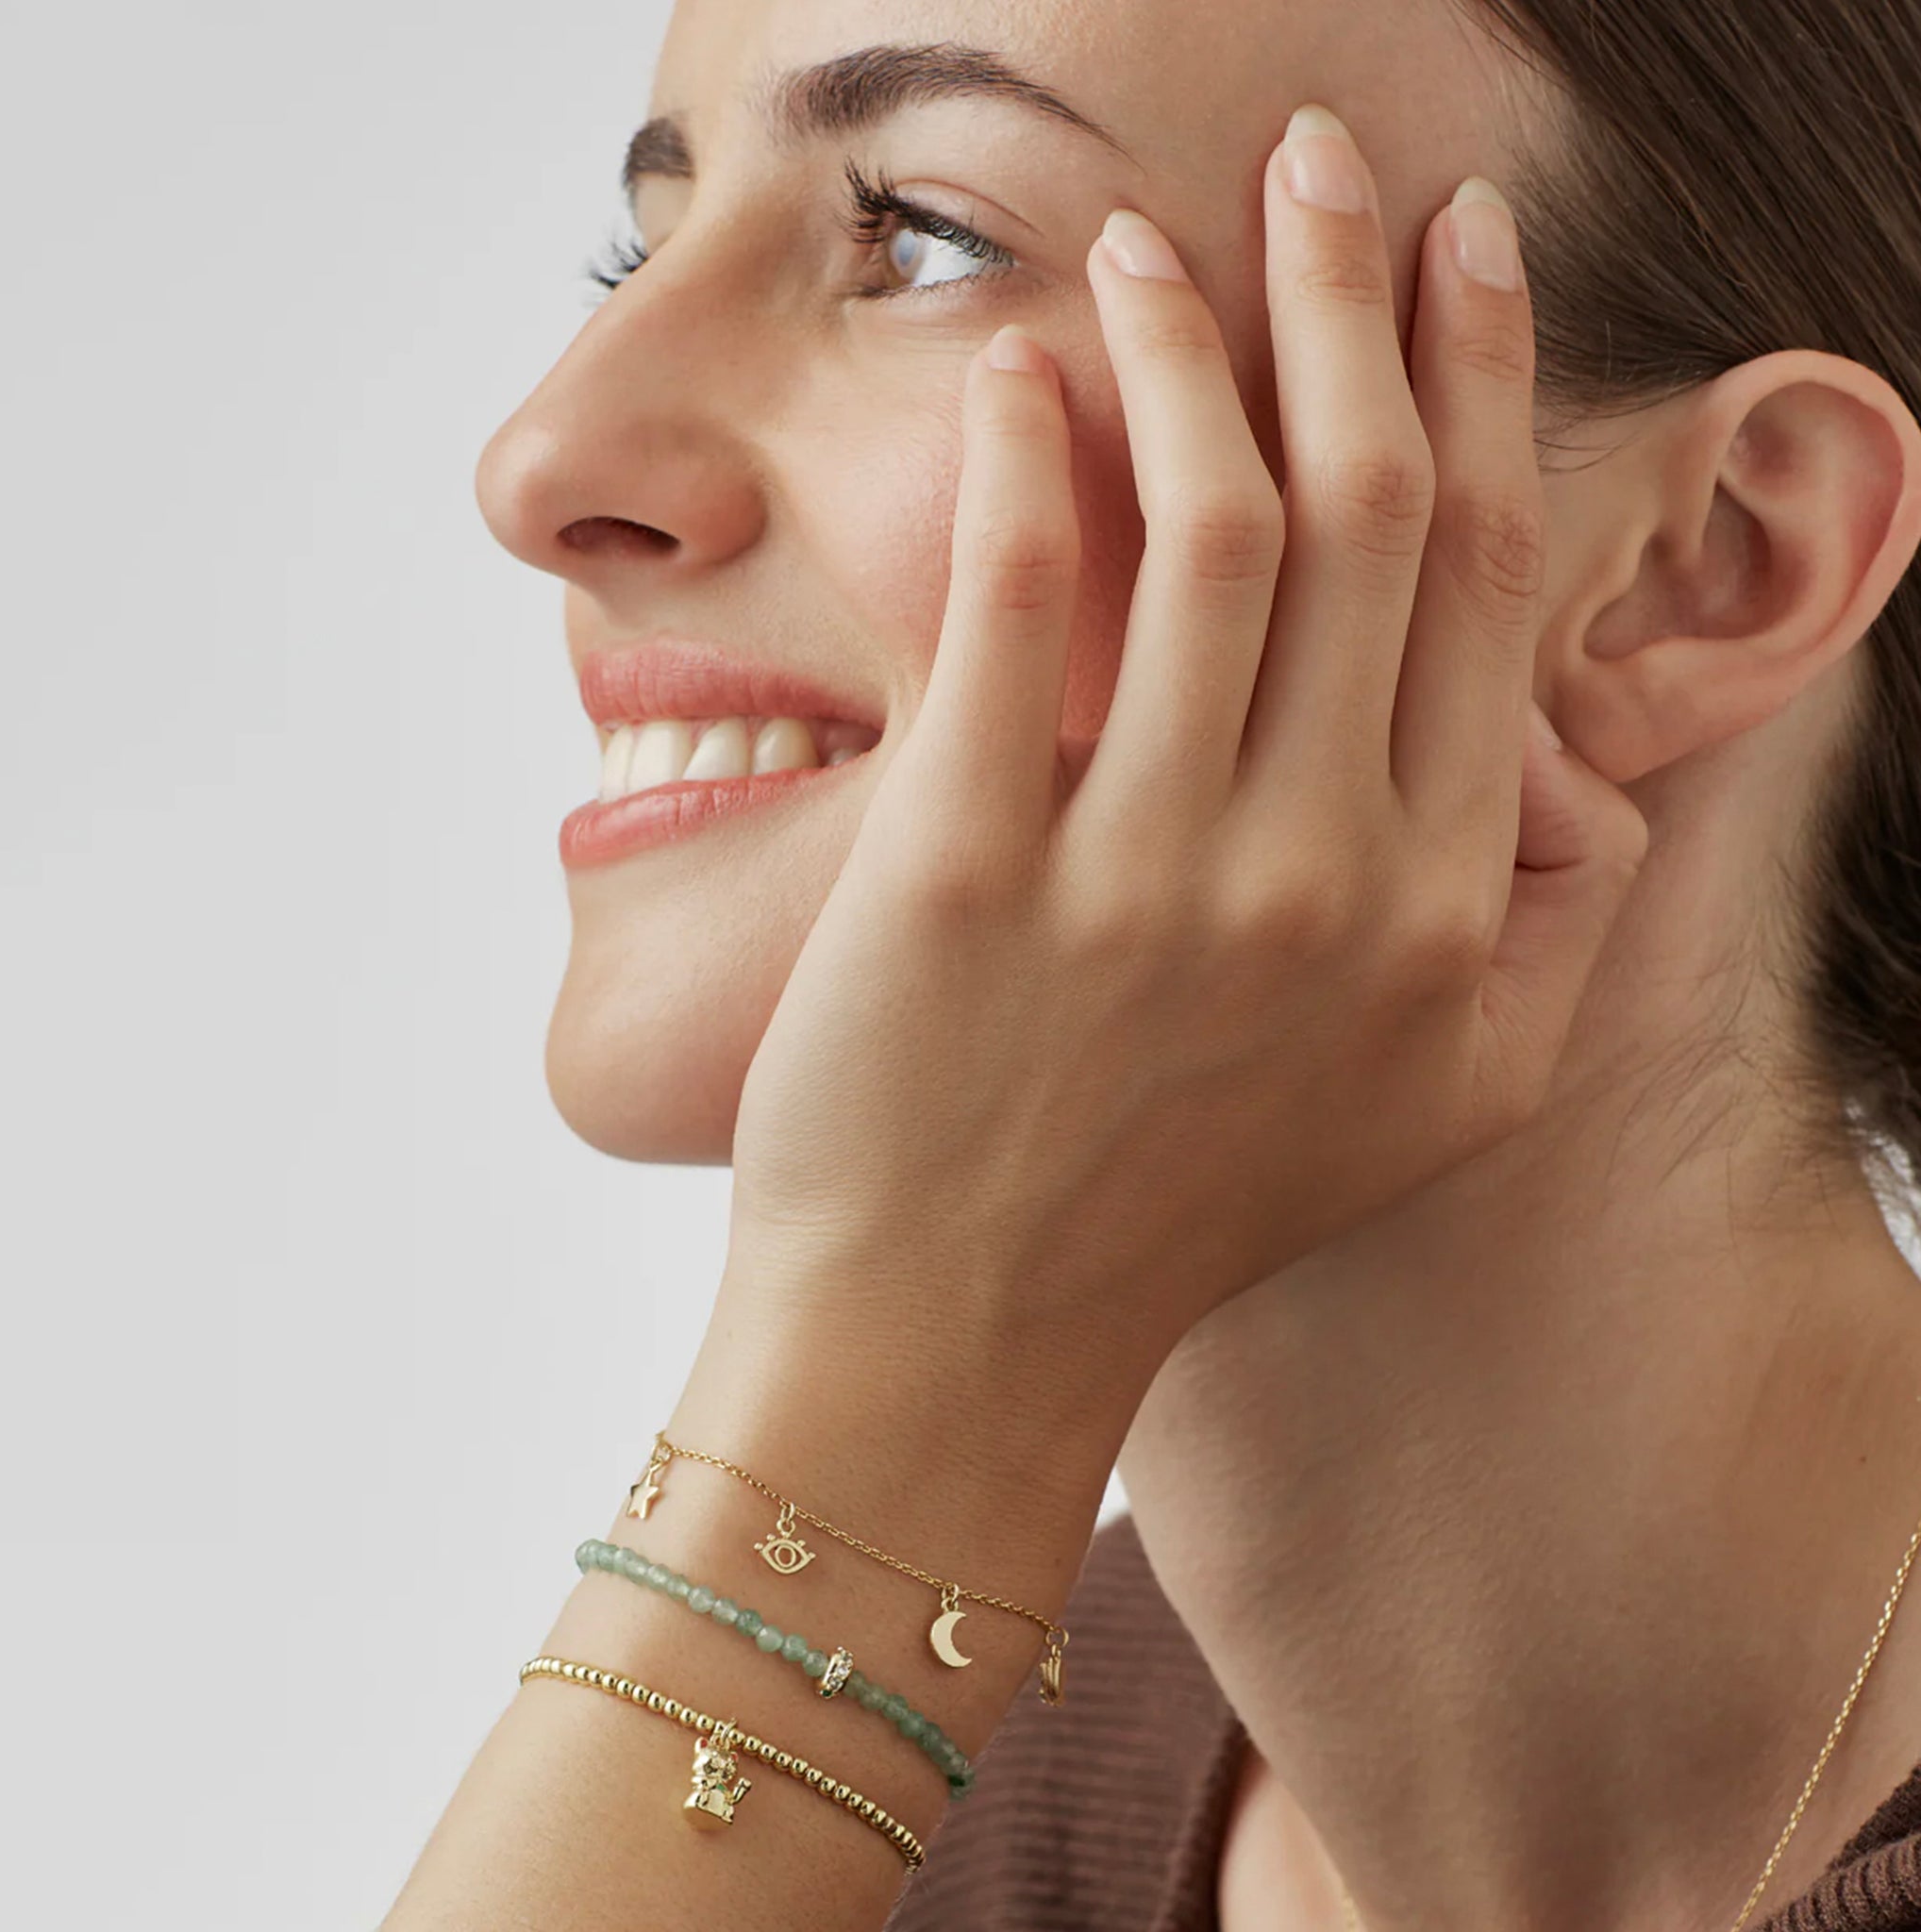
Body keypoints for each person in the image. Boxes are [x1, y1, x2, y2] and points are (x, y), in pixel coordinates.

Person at [381, 1, 1921, 1927]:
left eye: (919, 237)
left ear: (1717, 555)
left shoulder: (833, 1687)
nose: (545, 456)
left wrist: (901, 1378)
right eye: (643, 240)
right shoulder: (894, 1813)